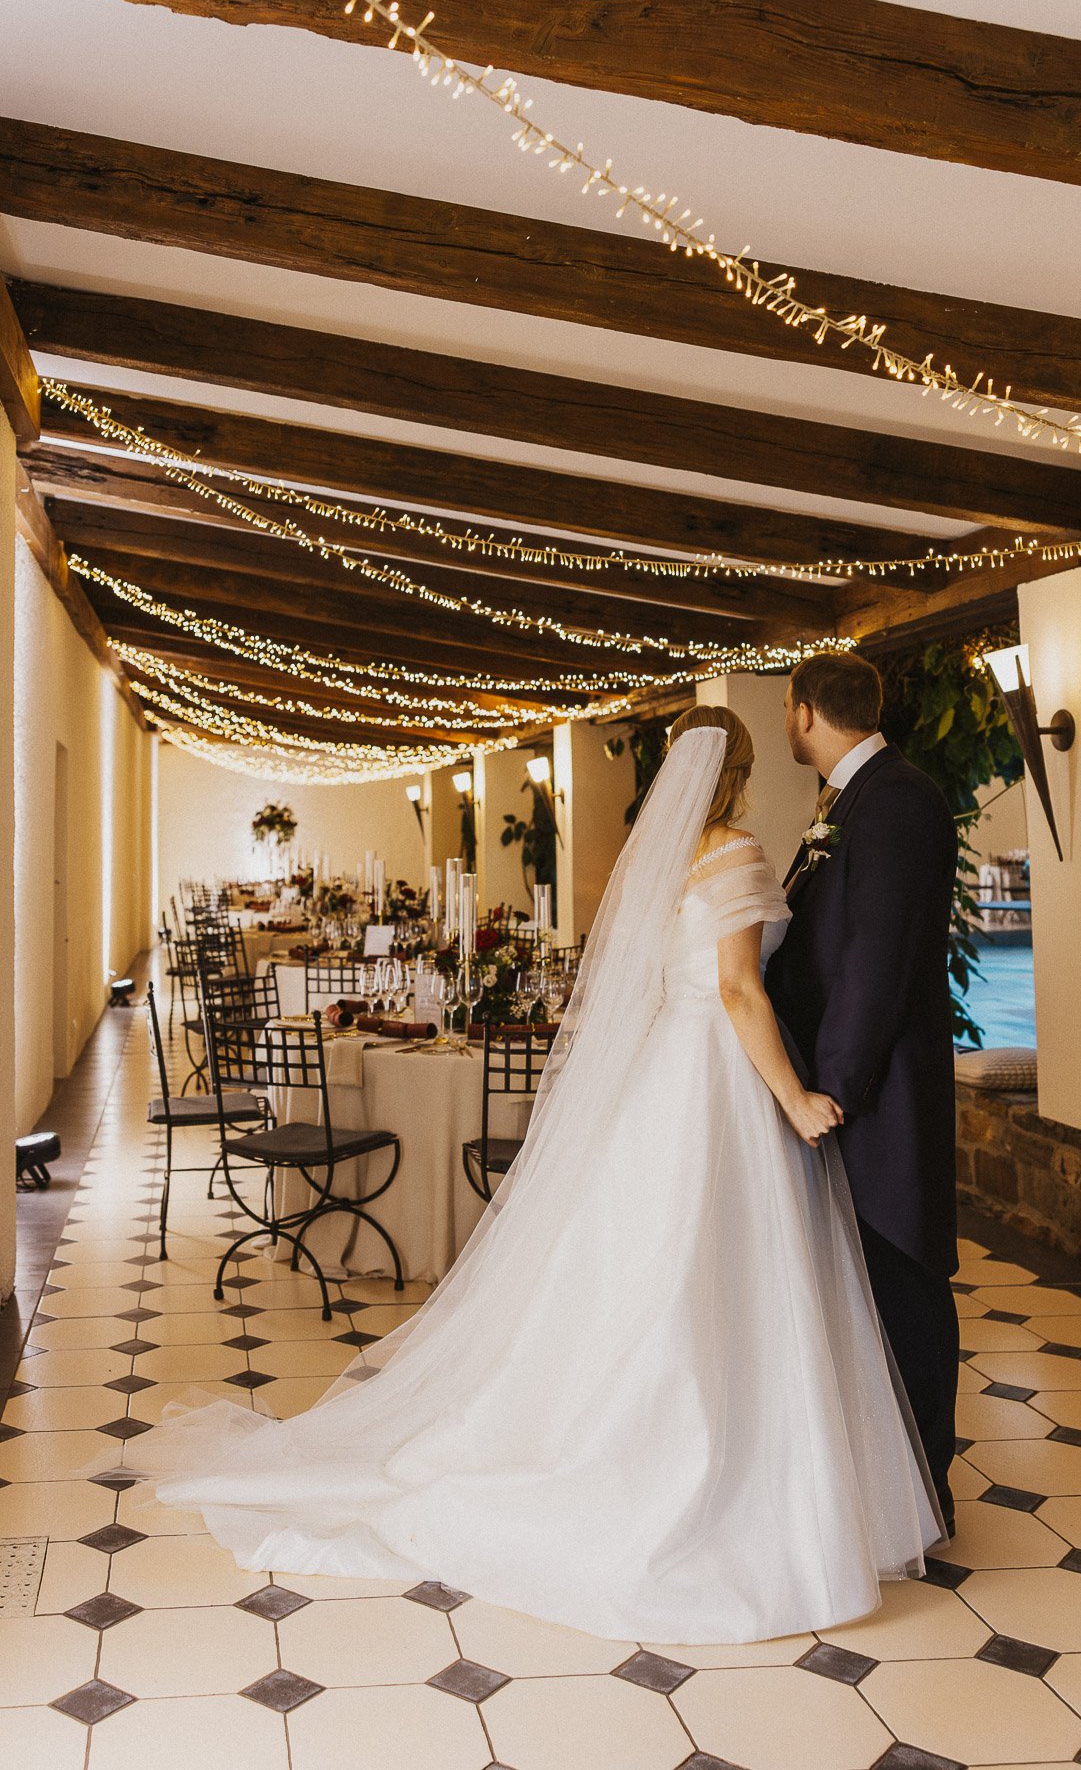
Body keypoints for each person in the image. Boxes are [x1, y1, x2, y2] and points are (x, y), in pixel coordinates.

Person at [114, 708, 939, 1644]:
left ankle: (647, 1442)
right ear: (742, 770)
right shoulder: (734, 851)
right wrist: (792, 1097)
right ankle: (720, 1475)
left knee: (654, 1273)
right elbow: (743, 993)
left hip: (660, 1084)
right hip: (719, 1081)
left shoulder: (660, 857)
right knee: (724, 1277)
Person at [766, 653, 961, 1534]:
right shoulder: (851, 801)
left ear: (805, 712)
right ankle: (884, 1494)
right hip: (846, 1090)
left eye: (785, 706)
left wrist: (831, 1092)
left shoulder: (896, 799)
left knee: (904, 1284)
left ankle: (926, 1497)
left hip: (879, 1100)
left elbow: (874, 965)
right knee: (868, 1293)